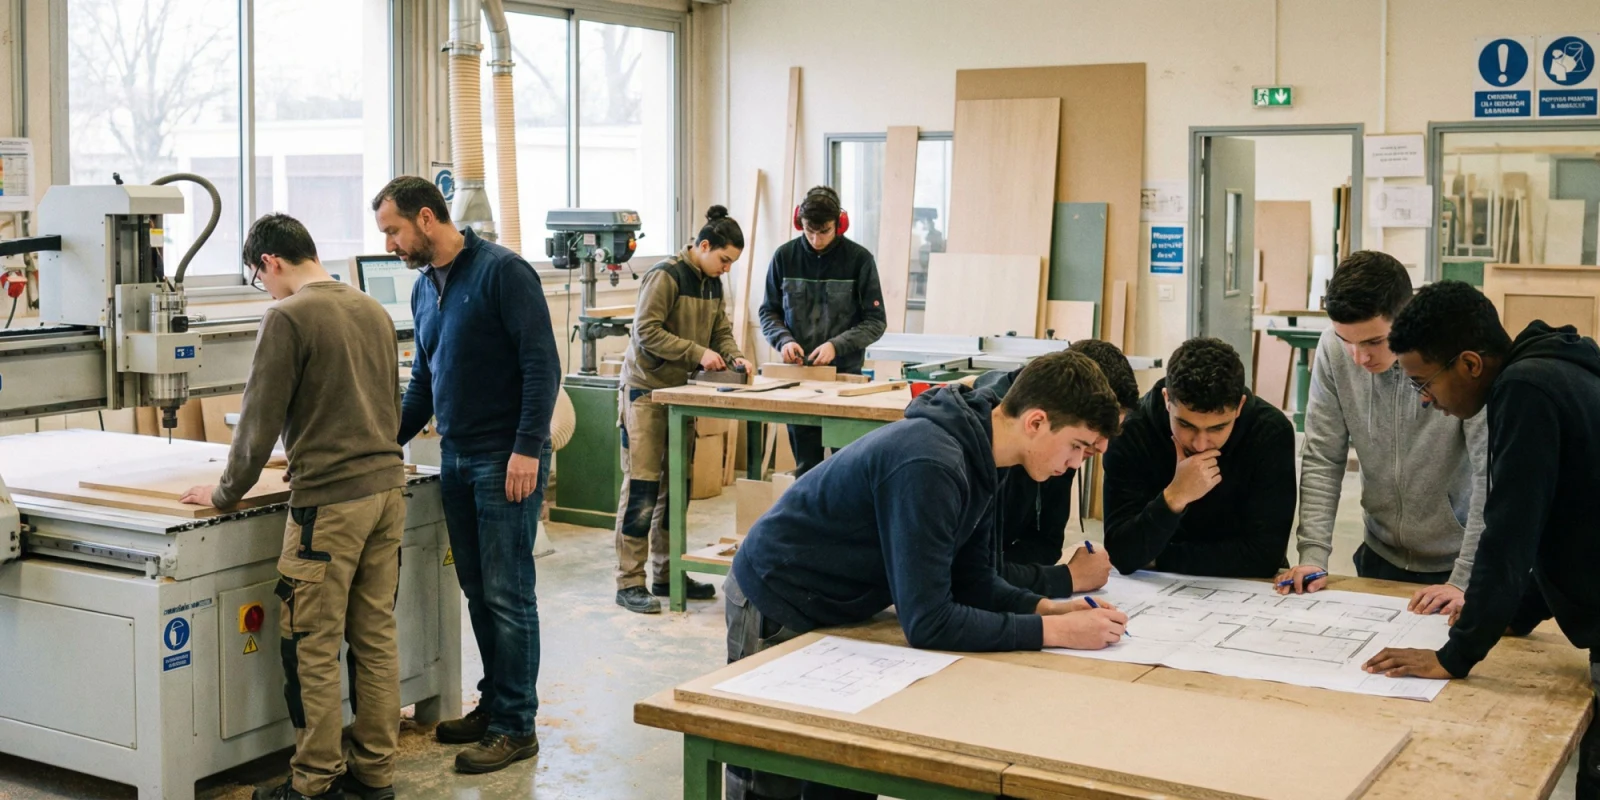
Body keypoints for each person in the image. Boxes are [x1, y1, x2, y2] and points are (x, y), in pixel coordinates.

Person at [725, 350, 1129, 800]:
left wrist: (1046, 606)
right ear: (1035, 422)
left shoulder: (985, 457)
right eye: (1076, 446)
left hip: (844, 606)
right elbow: (928, 621)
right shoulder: (932, 462)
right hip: (779, 597)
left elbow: (974, 579)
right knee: (771, 778)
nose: (1076, 464)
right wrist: (1055, 632)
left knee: (842, 773)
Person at [181, 214, 406, 800]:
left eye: (261, 277)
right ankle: (375, 772)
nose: (267, 288)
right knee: (375, 636)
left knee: (311, 642)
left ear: (270, 263)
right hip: (386, 491)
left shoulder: (288, 315)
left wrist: (224, 491)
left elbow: (258, 419)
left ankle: (312, 784)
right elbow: (389, 404)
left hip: (329, 505)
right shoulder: (371, 309)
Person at [1361, 281, 1600, 798]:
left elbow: (1509, 531)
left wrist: (1456, 655)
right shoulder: (1553, 370)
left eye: (1425, 383)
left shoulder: (1526, 390)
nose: (1426, 402)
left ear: (1469, 364)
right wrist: (1515, 613)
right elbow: (1562, 524)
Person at [374, 176, 561, 774]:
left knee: (509, 593)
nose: (390, 245)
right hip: (455, 457)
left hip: (506, 457)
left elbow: (542, 366)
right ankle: (495, 702)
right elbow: (424, 384)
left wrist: (528, 449)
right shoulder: (424, 290)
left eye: (394, 231)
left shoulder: (504, 273)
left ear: (426, 219)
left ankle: (516, 726)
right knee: (478, 590)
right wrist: (383, 442)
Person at [1277, 252, 1486, 615]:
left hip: (1457, 566)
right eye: (1348, 340)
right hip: (1379, 555)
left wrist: (1464, 577)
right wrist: (1312, 555)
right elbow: (1323, 456)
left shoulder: (1454, 357)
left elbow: (1490, 474)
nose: (1359, 357)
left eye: (1374, 341)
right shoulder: (1332, 349)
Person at [613, 206, 753, 614]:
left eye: (732, 263)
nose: (727, 269)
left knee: (677, 490)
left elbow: (720, 329)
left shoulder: (712, 283)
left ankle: (666, 573)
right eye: (724, 259)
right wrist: (697, 352)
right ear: (703, 245)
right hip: (646, 393)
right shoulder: (665, 276)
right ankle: (629, 581)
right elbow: (646, 331)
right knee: (642, 488)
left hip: (680, 394)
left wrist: (734, 356)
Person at [1102, 337, 1295, 578]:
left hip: (1246, 587)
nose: (1200, 444)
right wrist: (1174, 497)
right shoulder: (1130, 432)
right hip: (1160, 590)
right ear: (1166, 400)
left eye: (1217, 428)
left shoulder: (1270, 432)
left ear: (1239, 407)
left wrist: (1159, 556)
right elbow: (1122, 554)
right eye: (1185, 424)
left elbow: (1264, 556)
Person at [973, 339, 1140, 597]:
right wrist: (1066, 578)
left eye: (1112, 432)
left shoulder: (1068, 443)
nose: (1102, 447)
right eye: (1097, 432)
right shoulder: (985, 440)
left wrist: (1009, 572)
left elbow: (1046, 545)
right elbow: (967, 573)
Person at [758, 186, 887, 475]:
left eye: (824, 232)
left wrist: (836, 346)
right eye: (809, 231)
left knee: (847, 469)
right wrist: (783, 340)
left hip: (845, 382)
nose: (816, 240)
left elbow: (875, 321)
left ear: (840, 224)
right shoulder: (784, 257)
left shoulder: (859, 260)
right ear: (799, 223)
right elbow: (768, 312)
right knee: (807, 469)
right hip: (799, 379)